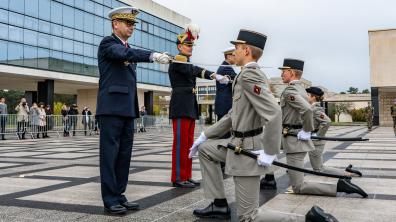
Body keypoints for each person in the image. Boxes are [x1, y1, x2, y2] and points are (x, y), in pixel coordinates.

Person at [190, 29, 338, 221]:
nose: (233, 51)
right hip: (236, 143)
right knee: (206, 149)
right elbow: (233, 114)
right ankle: (218, 204)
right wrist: (206, 135)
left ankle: (308, 219)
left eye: (236, 47)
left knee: (248, 216)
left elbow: (274, 113)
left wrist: (269, 152)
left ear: (246, 50)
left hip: (246, 149)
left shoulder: (250, 75)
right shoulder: (244, 75)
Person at [96, 6, 170, 215]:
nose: (131, 27)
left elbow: (128, 56)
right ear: (115, 24)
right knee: (110, 155)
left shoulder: (127, 48)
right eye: (127, 23)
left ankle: (119, 194)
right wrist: (153, 55)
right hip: (111, 109)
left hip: (128, 109)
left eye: (132, 24)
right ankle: (110, 199)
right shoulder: (108, 44)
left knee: (124, 155)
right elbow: (124, 53)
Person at [275, 58, 367, 198]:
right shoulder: (300, 89)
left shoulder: (290, 90)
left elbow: (307, 110)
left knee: (299, 186)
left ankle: (338, 186)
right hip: (292, 139)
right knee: (309, 171)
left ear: (291, 72)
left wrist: (307, 130)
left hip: (294, 140)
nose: (281, 74)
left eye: (284, 71)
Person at [168, 24, 230, 188]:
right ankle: (178, 177)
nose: (191, 48)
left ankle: (186, 175)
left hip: (189, 105)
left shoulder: (185, 61)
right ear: (179, 46)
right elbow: (194, 70)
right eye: (188, 46)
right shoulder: (178, 60)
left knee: (189, 144)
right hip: (180, 106)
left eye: (191, 46)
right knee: (180, 144)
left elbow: (192, 69)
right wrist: (213, 75)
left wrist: (214, 76)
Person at [306, 86, 362, 177]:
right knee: (319, 168)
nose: (306, 97)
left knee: (319, 169)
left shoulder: (315, 109)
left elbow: (327, 122)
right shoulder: (312, 108)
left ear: (313, 97)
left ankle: (347, 173)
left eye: (308, 95)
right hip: (313, 140)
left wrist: (317, 136)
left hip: (316, 142)